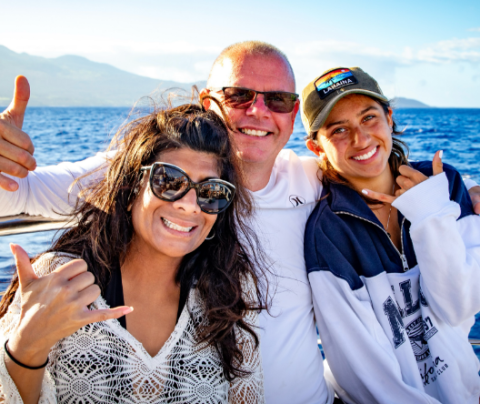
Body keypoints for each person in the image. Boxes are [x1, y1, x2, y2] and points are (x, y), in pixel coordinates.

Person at [0, 41, 480, 404]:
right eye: (240, 95)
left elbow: (374, 164)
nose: (258, 112)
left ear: (295, 116)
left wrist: (461, 197)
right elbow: (16, 193)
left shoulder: (313, 179)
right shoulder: (154, 175)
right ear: (209, 102)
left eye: (277, 100)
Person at [0, 102, 265, 403]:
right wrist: (27, 346)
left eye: (212, 192)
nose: (190, 205)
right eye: (169, 181)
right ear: (130, 190)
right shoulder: (60, 279)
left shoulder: (230, 291)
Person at [302, 67, 480, 403]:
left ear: (389, 117)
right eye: (339, 129)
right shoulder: (327, 232)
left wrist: (429, 214)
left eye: (369, 118)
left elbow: (461, 306)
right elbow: (369, 380)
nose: (361, 138)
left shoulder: (446, 184)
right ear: (316, 147)